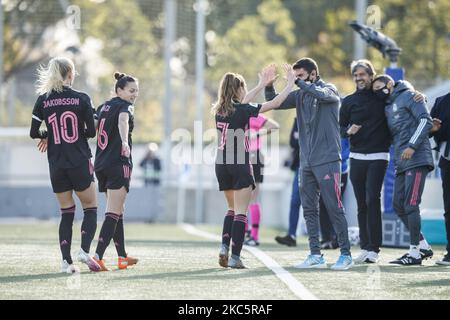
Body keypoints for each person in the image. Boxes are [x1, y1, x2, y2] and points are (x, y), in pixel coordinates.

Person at [265, 58, 353, 270]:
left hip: (328, 160)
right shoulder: (300, 94)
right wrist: (268, 85)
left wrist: (297, 83)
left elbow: (323, 95)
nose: (296, 81)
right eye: (295, 77)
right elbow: (275, 102)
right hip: (306, 162)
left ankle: (345, 254)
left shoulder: (329, 90)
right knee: (309, 209)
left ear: (313, 74)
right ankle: (315, 254)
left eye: (300, 76)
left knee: (334, 207)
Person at [340, 59, 431, 263]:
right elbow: (340, 128)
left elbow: (401, 93)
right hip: (357, 158)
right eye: (356, 75)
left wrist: (420, 96)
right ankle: (366, 247)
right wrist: (347, 131)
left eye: (362, 74)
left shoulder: (382, 98)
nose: (358, 78)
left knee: (374, 200)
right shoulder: (348, 101)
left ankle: (375, 249)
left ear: (371, 76)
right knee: (363, 204)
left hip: (381, 157)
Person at [214, 64, 296, 269]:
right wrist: (290, 84)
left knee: (231, 209)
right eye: (243, 87)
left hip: (221, 162)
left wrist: (261, 84)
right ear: (238, 90)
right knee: (242, 212)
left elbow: (241, 103)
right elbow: (276, 103)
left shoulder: (219, 110)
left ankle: (224, 246)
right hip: (240, 162)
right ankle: (235, 257)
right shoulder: (243, 110)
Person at [29, 57, 101, 273]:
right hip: (79, 160)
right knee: (90, 208)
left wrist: (49, 134)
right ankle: (84, 251)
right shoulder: (82, 98)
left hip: (56, 164)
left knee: (66, 212)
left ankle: (65, 262)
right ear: (70, 73)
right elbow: (90, 132)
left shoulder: (43, 100)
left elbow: (34, 132)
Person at [372, 74, 434, 265]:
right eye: (374, 90)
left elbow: (426, 120)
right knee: (398, 204)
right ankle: (422, 246)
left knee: (411, 204)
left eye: (380, 87)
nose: (377, 92)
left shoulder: (409, 95)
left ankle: (414, 253)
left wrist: (412, 146)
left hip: (416, 158)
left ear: (390, 84)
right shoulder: (388, 106)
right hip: (401, 161)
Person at [93, 72, 139, 271]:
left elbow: (91, 127)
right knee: (113, 211)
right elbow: (122, 120)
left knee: (118, 210)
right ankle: (97, 256)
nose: (134, 94)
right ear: (119, 90)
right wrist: (123, 142)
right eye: (131, 90)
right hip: (117, 162)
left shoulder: (102, 106)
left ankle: (122, 257)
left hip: (101, 163)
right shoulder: (125, 106)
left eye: (136, 90)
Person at [244, 114, 280, 246]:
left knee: (253, 197)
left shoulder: (254, 115)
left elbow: (275, 126)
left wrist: (256, 134)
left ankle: (254, 236)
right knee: (241, 197)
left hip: (255, 156)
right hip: (240, 156)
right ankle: (244, 231)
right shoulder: (235, 113)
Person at [430, 92, 450, 265]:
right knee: (449, 208)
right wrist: (434, 129)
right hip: (447, 160)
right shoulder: (441, 101)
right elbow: (429, 130)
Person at [319, 137, 350, 250]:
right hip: (323, 171)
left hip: (340, 171)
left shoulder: (344, 127)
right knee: (322, 203)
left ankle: (337, 238)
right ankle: (326, 238)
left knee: (336, 204)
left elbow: (347, 151)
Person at [275, 118, 301, 247]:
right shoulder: (297, 120)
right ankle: (291, 235)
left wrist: (300, 138)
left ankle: (328, 237)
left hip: (318, 165)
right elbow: (293, 141)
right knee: (295, 200)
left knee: (321, 203)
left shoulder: (321, 115)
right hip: (300, 166)